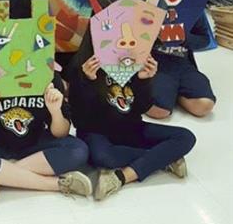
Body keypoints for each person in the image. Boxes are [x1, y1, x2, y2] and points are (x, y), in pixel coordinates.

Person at [68, 25, 196, 201]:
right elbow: (79, 119)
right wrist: (87, 82)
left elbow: (142, 108)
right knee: (102, 157)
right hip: (96, 131)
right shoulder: (81, 66)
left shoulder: (132, 61)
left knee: (186, 137)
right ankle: (164, 158)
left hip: (131, 127)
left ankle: (123, 176)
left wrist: (145, 81)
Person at [0, 61, 92, 202]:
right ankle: (58, 184)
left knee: (78, 150)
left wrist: (55, 110)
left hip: (34, 141)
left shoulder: (47, 73)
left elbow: (61, 133)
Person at [146, 14, 216, 120]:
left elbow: (204, 40)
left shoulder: (193, 8)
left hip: (184, 66)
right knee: (158, 111)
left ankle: (175, 93)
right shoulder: (146, 3)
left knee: (205, 106)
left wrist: (181, 36)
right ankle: (170, 92)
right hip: (157, 67)